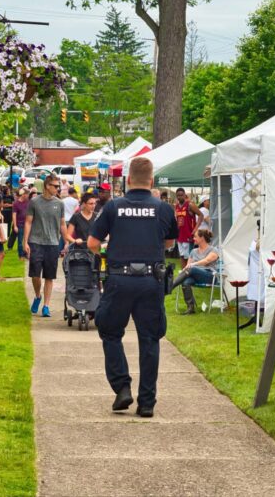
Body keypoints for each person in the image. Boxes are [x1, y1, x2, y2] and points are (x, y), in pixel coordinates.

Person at [88, 157, 177, 418]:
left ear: (128, 180)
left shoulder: (114, 207)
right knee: (149, 339)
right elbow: (170, 243)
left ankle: (122, 387)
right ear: (151, 181)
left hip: (119, 279)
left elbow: (93, 242)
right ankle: (147, 402)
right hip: (151, 281)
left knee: (111, 332)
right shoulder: (163, 209)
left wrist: (107, 251)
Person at [24, 174, 65, 317]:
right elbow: (28, 222)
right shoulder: (34, 202)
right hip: (36, 242)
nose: (57, 188)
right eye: (55, 186)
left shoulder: (60, 204)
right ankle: (37, 296)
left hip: (53, 243)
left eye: (58, 186)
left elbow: (62, 224)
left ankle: (46, 306)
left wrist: (66, 241)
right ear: (47, 186)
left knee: (49, 276)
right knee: (35, 275)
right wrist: (25, 242)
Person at [171, 228, 220, 314]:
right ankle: (190, 308)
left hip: (210, 276)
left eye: (195, 237)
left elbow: (206, 261)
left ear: (202, 238)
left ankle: (171, 285)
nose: (193, 238)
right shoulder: (193, 251)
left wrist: (194, 264)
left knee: (192, 268)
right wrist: (185, 270)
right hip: (196, 276)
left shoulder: (213, 250)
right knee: (185, 282)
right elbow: (187, 267)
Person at [174, 188, 201, 268]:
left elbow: (201, 215)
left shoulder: (190, 205)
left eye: (181, 195)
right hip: (180, 235)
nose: (179, 197)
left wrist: (196, 228)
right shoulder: (176, 206)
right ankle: (183, 273)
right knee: (182, 256)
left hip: (188, 235)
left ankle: (189, 274)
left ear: (185, 195)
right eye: (178, 196)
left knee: (189, 257)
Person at [10, 188, 29, 258]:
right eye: (27, 194)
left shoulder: (28, 202)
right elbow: (14, 215)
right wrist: (15, 226)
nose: (27, 196)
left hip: (27, 224)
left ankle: (26, 253)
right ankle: (21, 255)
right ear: (23, 194)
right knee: (20, 241)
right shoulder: (16, 203)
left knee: (26, 240)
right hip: (20, 224)